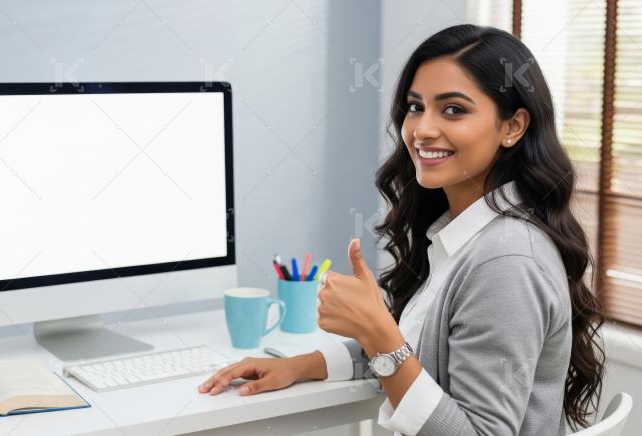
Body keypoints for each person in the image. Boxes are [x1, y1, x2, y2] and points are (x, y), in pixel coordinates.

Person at [197, 24, 606, 435]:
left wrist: (376, 330)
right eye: (415, 107)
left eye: (453, 110)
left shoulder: (507, 261)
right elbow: (417, 353)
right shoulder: (468, 236)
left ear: (513, 127)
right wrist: (298, 366)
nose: (422, 129)